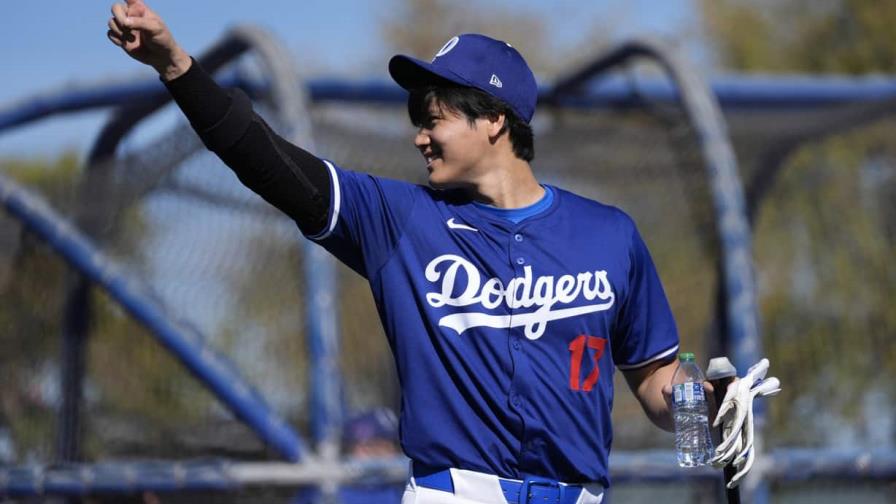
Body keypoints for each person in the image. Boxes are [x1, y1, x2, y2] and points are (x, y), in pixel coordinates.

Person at [106, 1, 695, 502]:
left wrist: (701, 402)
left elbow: (654, 381)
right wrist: (176, 67)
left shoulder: (608, 233)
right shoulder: (400, 219)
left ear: (493, 120)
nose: (418, 136)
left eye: (432, 119)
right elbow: (267, 161)